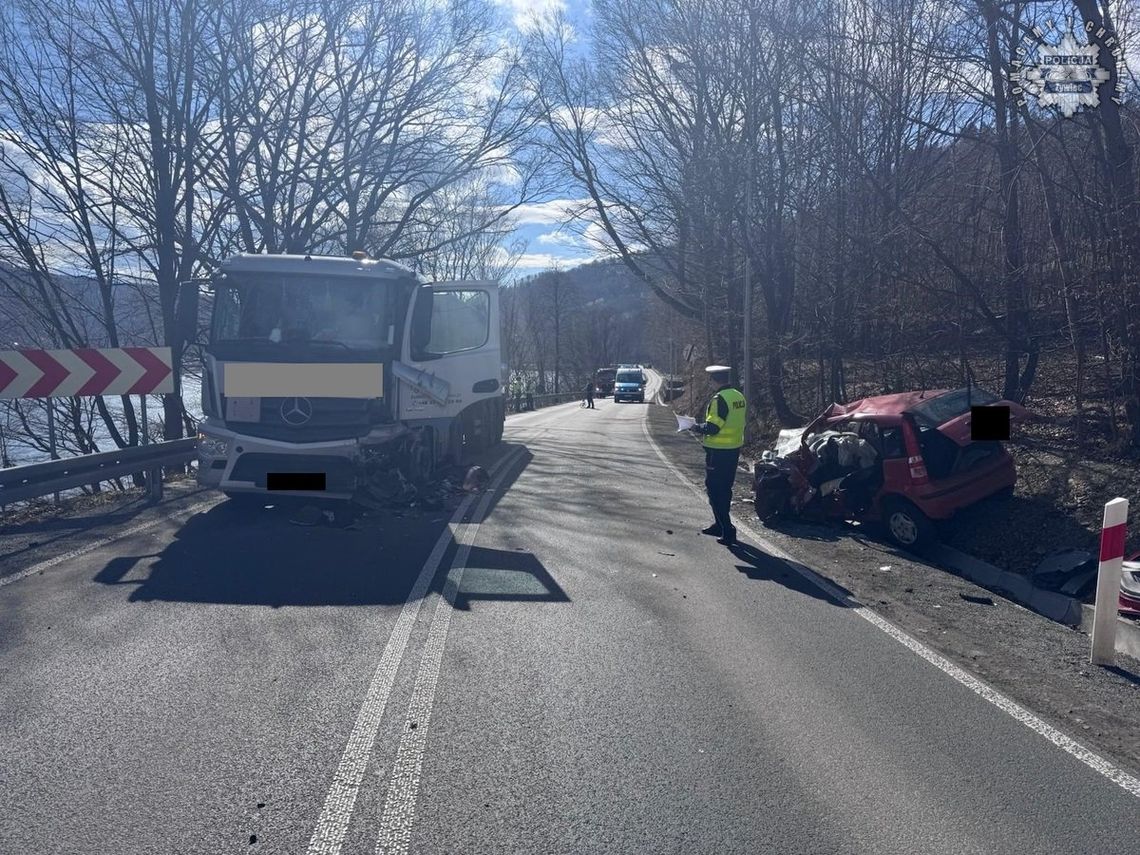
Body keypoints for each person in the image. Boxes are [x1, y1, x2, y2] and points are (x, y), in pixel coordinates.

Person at [689, 364, 747, 546]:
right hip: (733, 449)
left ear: (714, 380)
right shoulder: (738, 396)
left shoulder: (719, 399)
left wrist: (695, 426)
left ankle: (727, 529)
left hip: (718, 452)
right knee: (725, 488)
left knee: (715, 490)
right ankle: (719, 524)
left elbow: (713, 427)